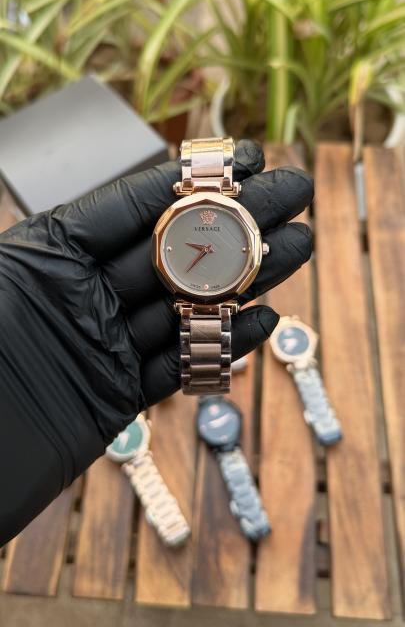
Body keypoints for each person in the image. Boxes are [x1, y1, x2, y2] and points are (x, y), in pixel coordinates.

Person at [0, 139, 313, 546]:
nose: (206, 248)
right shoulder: (188, 242)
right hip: (188, 288)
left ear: (257, 249)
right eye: (201, 247)